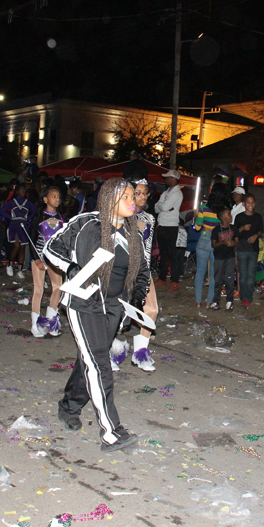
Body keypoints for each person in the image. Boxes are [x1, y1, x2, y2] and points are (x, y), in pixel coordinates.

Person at [44, 178, 149, 453]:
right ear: (109, 200)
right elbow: (51, 249)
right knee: (99, 363)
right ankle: (112, 432)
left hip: (113, 306)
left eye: (134, 196)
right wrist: (75, 270)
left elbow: (142, 272)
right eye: (126, 196)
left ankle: (69, 406)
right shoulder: (87, 223)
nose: (132, 200)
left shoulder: (132, 232)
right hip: (85, 303)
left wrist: (134, 302)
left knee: (90, 359)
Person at [126, 179, 158, 372]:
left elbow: (147, 247)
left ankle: (140, 353)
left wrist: (145, 269)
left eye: (145, 193)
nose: (142, 196)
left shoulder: (150, 219)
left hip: (143, 269)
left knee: (152, 309)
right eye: (138, 192)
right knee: (121, 313)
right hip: (123, 269)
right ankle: (112, 351)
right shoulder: (121, 216)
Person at [29, 186, 65, 338]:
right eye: (53, 196)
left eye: (58, 197)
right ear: (45, 199)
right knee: (39, 289)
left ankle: (51, 321)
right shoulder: (38, 217)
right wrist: (36, 259)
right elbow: (30, 239)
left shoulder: (63, 218)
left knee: (58, 288)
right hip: (39, 255)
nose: (57, 199)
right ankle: (36, 324)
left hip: (55, 258)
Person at [191, 185, 225, 308]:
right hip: (217, 241)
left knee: (200, 272)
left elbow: (197, 227)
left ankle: (198, 301)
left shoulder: (204, 208)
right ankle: (209, 301)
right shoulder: (224, 211)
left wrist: (196, 221)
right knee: (213, 274)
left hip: (204, 238)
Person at [154, 169, 184, 292]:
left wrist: (162, 206)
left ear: (173, 179)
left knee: (173, 255)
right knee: (164, 254)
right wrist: (163, 207)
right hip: (162, 225)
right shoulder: (166, 192)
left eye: (167, 177)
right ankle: (162, 279)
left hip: (170, 227)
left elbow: (162, 206)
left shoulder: (177, 193)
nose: (165, 179)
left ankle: (175, 281)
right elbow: (157, 208)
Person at [234, 193, 264, 309]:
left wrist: (256, 236)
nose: (250, 205)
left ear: (254, 204)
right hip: (242, 248)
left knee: (251, 274)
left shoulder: (258, 217)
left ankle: (248, 297)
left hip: (253, 249)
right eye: (248, 202)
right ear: (244, 204)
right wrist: (243, 228)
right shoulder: (239, 217)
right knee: (243, 274)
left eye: (252, 202)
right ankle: (243, 297)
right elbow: (235, 232)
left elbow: (261, 230)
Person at [1, 184, 36, 279]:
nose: (23, 192)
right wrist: (11, 217)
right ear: (17, 191)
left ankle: (20, 270)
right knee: (16, 246)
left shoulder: (27, 202)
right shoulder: (13, 201)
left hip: (23, 226)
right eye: (21, 190)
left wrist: (28, 218)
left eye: (24, 190)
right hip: (14, 226)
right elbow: (2, 210)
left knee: (23, 247)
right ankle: (9, 265)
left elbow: (34, 211)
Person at [210, 207, 237, 311]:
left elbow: (237, 241)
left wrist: (232, 243)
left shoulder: (233, 228)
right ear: (222, 217)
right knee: (218, 280)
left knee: (229, 280)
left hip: (230, 257)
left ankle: (230, 301)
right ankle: (216, 301)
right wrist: (223, 242)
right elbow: (213, 244)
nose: (230, 216)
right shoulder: (216, 230)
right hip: (219, 258)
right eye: (228, 214)